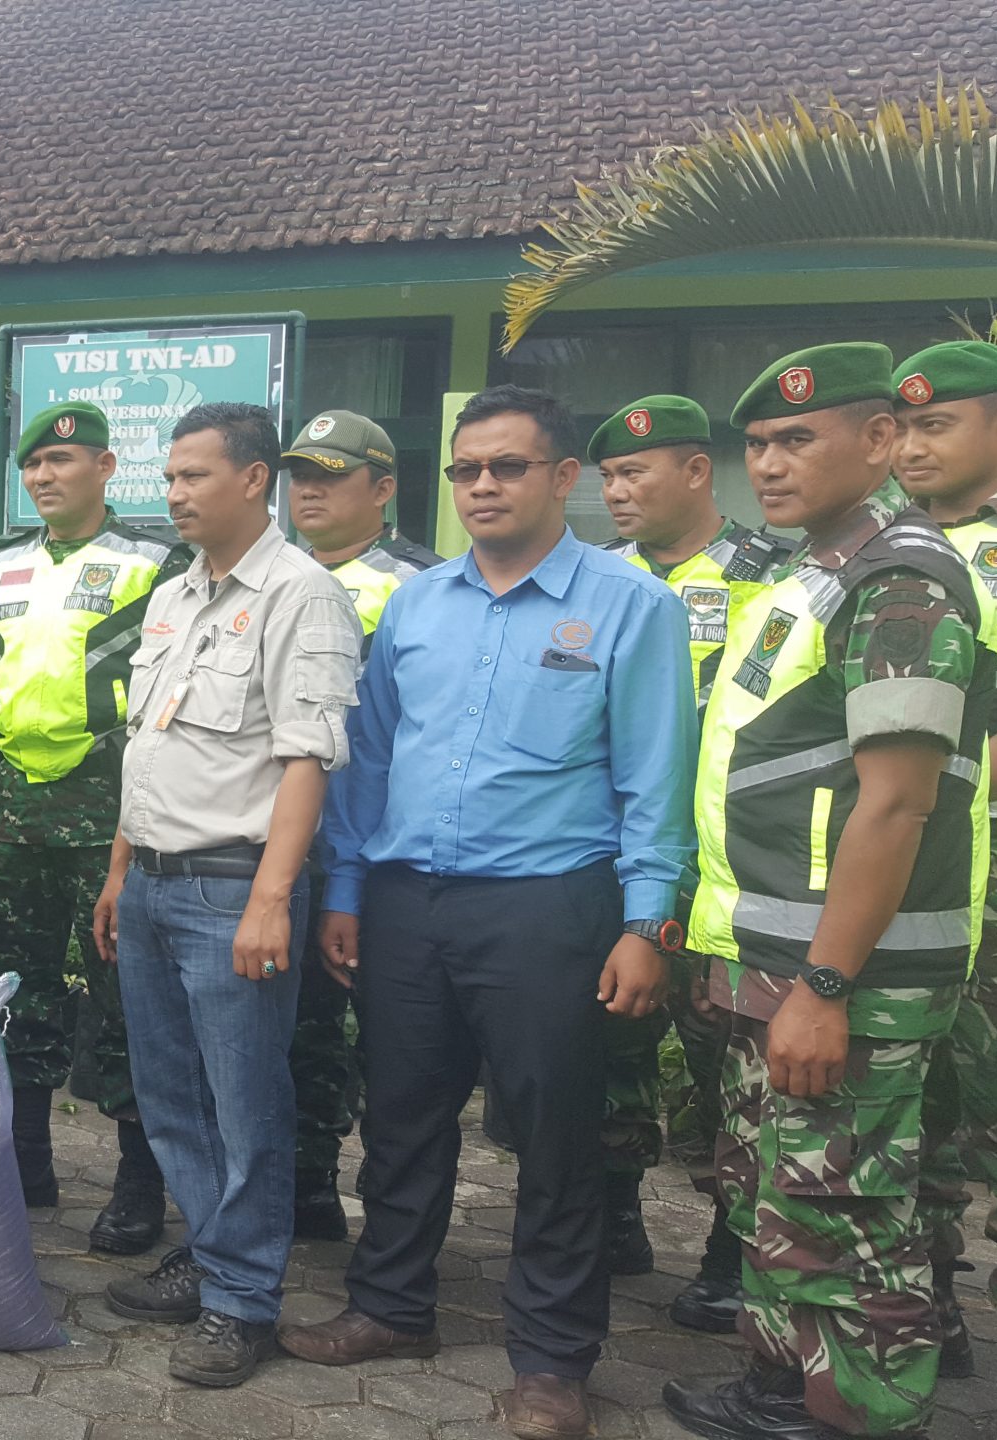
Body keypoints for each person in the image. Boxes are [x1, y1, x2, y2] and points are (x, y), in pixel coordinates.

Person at [285, 385, 692, 1440]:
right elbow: (366, 759)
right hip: (405, 902)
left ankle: (552, 1361)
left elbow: (657, 779)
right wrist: (342, 890)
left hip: (549, 908)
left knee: (553, 1133)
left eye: (506, 467)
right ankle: (390, 1307)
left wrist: (646, 924)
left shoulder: (628, 604)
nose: (481, 486)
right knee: (402, 1116)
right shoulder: (419, 604)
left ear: (562, 478)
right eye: (465, 469)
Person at [658, 343, 992, 1440]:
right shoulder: (818, 574)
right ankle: (780, 1389)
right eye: (755, 443)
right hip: (778, 955)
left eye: (798, 438)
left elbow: (897, 805)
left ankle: (859, 1415)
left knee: (852, 1214)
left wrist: (826, 981)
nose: (769, 462)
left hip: (853, 974)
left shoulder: (901, 582)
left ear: (881, 441)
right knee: (779, 1194)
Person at [92, 403, 360, 1386]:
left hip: (230, 884)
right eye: (168, 478)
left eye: (194, 476)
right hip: (155, 881)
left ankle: (243, 1300)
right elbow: (146, 747)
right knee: (171, 1098)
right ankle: (210, 1258)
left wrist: (270, 899)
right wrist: (120, 874)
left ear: (253, 480)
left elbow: (306, 760)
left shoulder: (302, 596)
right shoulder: (173, 596)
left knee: (245, 1100)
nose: (174, 494)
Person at [0, 399, 185, 1254]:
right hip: (18, 815)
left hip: (116, 817)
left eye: (65, 461)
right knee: (15, 989)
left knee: (128, 1002)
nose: (46, 477)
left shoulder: (156, 560)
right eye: (34, 467)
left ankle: (139, 1184)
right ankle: (25, 1161)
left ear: (105, 468)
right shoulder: (1, 567)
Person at [588, 392, 794, 1327]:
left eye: (635, 472)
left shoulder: (778, 571)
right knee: (613, 1045)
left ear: (698, 471)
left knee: (721, 1065)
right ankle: (615, 1216)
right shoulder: (596, 577)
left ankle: (728, 1246)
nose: (617, 491)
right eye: (608, 477)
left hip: (730, 867)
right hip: (623, 854)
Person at [277, 409, 441, 1242]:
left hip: (384, 851)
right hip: (281, 848)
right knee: (295, 1021)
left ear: (382, 488)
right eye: (300, 474)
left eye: (331, 475)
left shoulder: (428, 586)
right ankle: (305, 1181)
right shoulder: (269, 574)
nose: (308, 489)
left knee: (388, 1036)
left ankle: (392, 1215)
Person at [893, 339, 997, 1376]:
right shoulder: (883, 550)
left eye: (939, 423)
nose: (914, 447)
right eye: (906, 427)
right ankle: (928, 1308)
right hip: (919, 867)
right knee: (924, 1099)